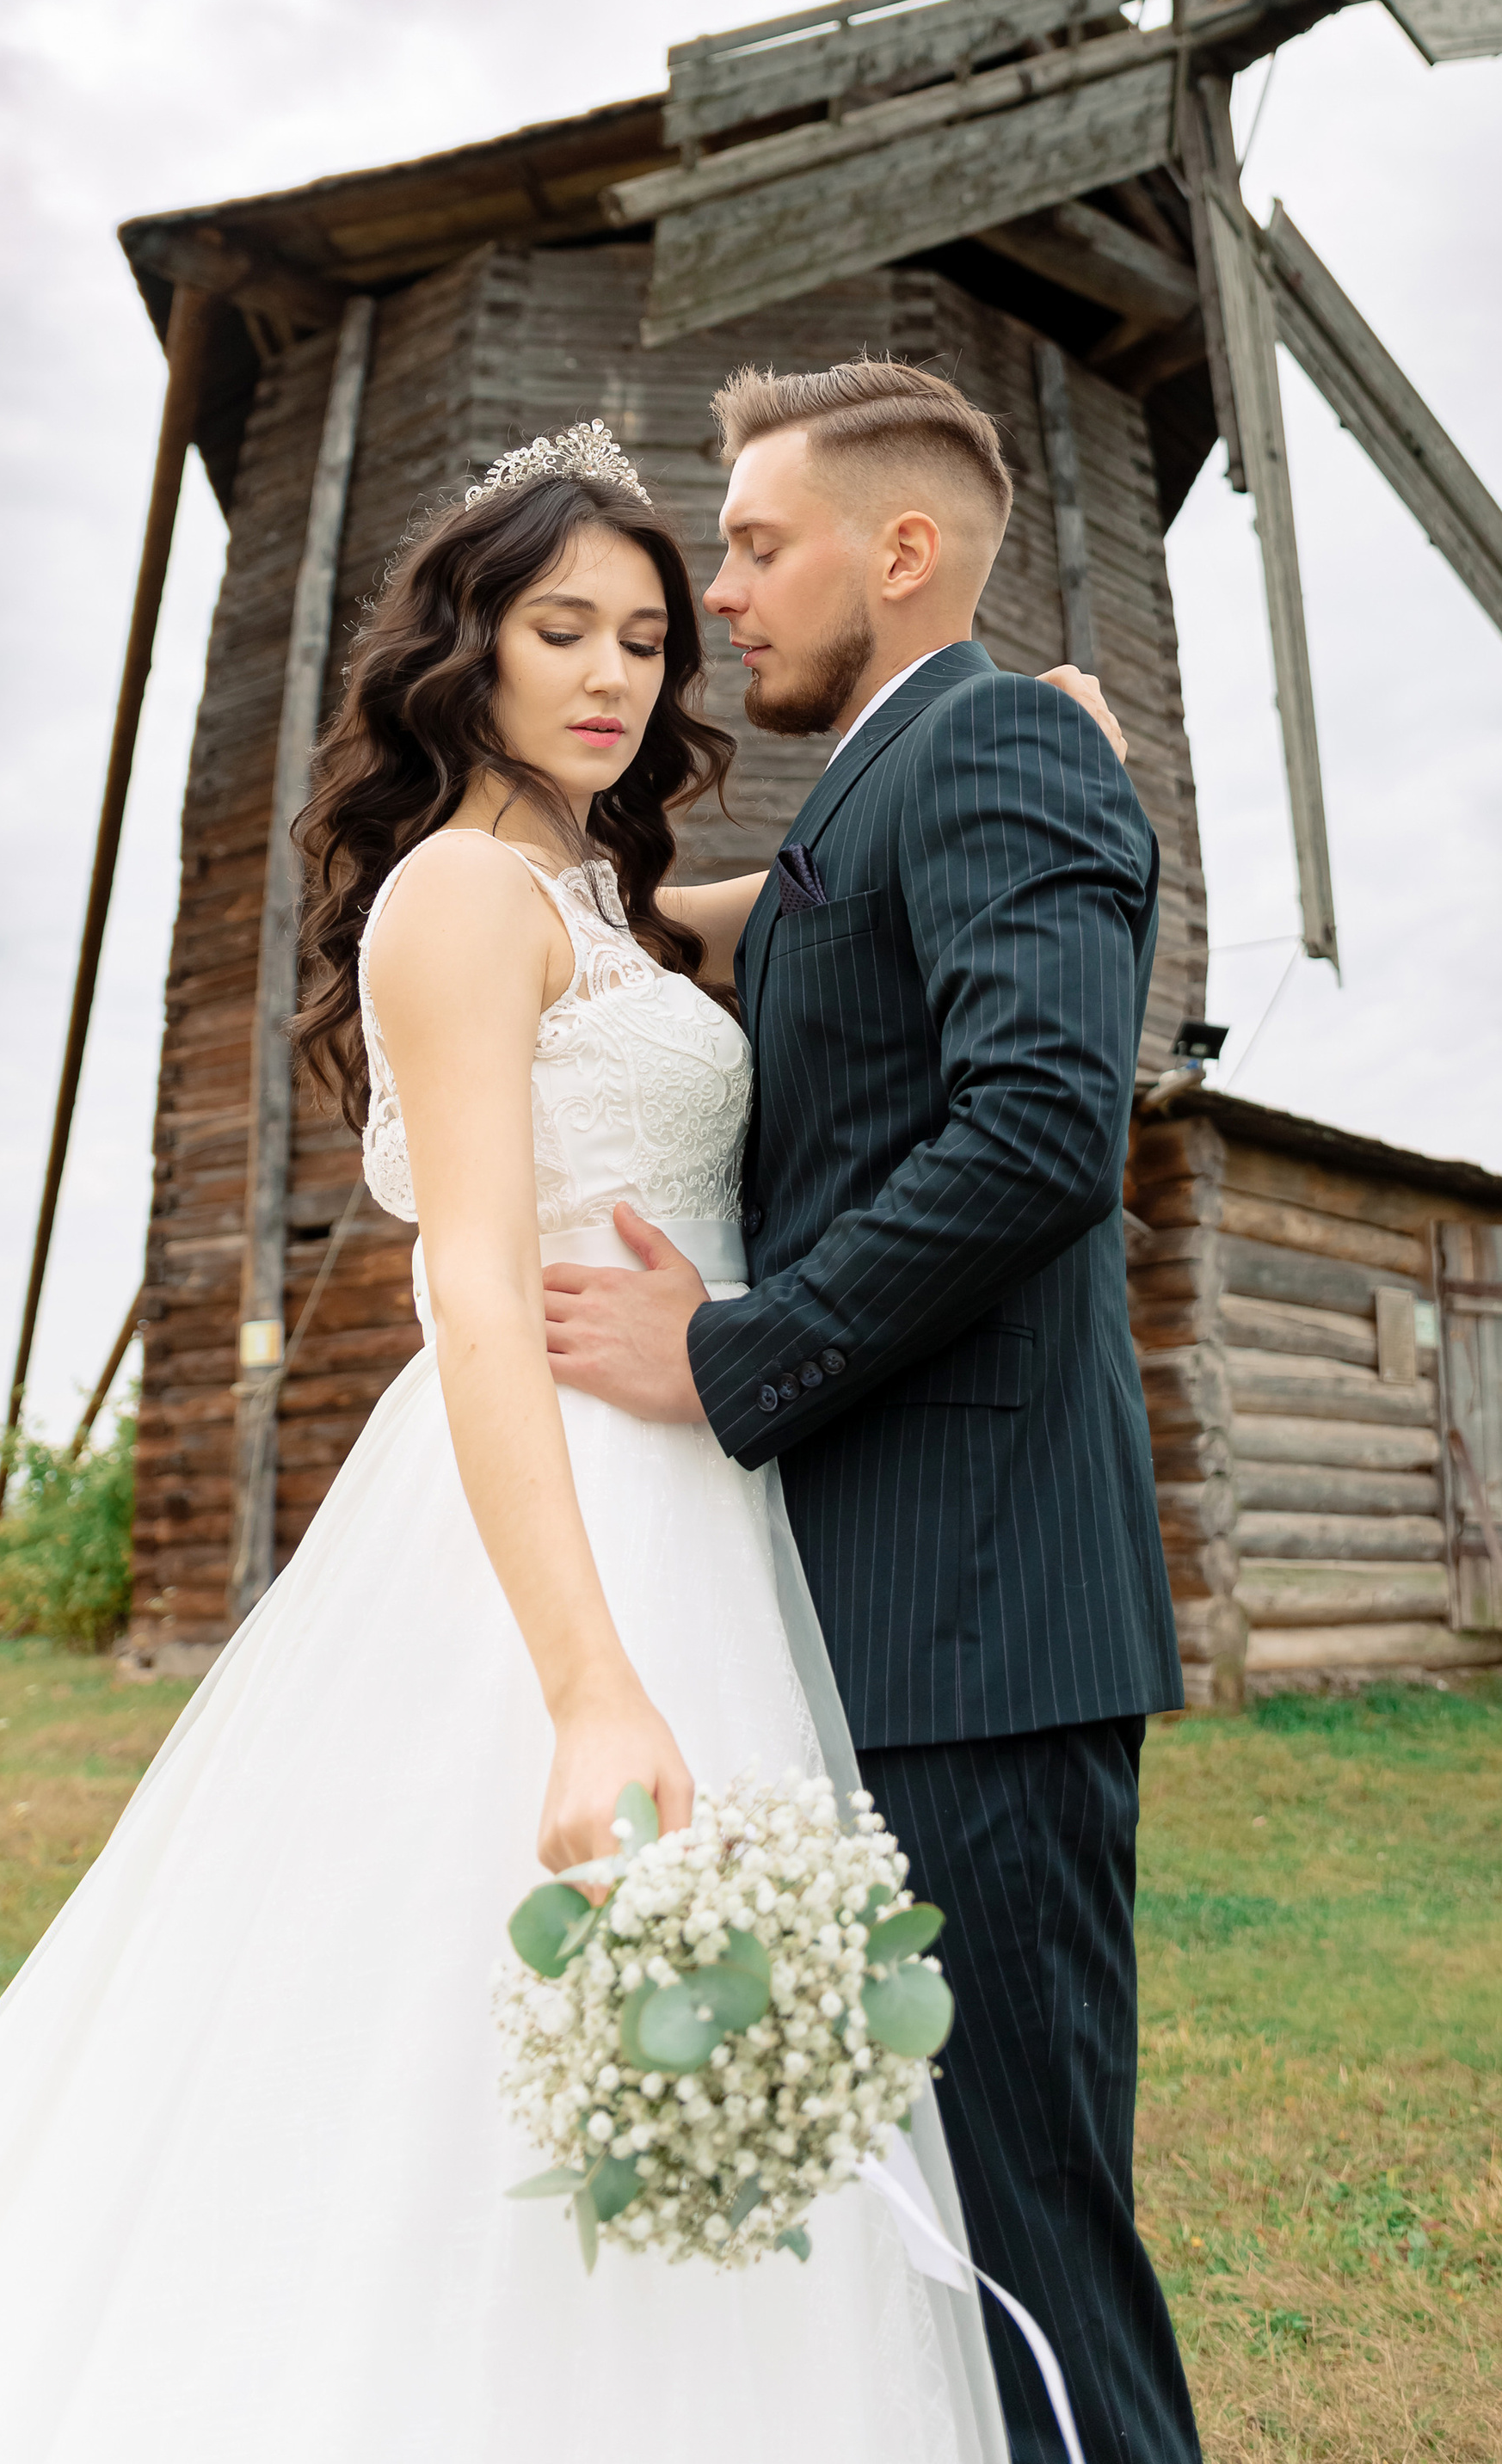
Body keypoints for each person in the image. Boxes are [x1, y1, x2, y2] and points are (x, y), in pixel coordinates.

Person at [0, 417, 1114, 2461]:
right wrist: (589, 1680)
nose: (612, 674)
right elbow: (471, 1293)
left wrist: (1008, 738)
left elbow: (777, 907)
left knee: (719, 2037)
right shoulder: (449, 897)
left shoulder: (585, 897)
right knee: (473, 2046)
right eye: (558, 630)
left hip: (711, 1484)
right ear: (471, 651)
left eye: (642, 637)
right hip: (566, 1506)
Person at [545, 361, 1202, 2464]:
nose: (715, 594)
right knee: (907, 2226)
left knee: (1017, 2227)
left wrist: (733, 1354)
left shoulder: (992, 744)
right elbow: (755, 943)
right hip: (873, 1611)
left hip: (981, 1618)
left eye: (748, 544)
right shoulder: (886, 791)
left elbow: (1034, 1136)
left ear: (895, 550)